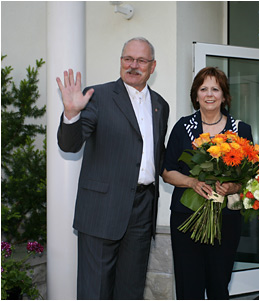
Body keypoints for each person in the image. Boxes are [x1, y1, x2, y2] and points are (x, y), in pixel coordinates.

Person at [56, 37, 170, 299]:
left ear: (153, 67)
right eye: (127, 59)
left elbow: (157, 156)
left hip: (142, 210)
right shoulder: (97, 97)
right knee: (95, 292)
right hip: (101, 212)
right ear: (120, 62)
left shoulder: (160, 105)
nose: (133, 65)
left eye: (141, 60)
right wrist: (71, 114)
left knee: (130, 291)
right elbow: (70, 145)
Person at [162, 67, 252, 299]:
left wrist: (233, 187)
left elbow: (250, 177)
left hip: (226, 220)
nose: (209, 94)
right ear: (196, 95)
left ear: (224, 95)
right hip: (186, 218)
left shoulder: (241, 130)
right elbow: (167, 171)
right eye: (203, 89)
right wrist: (192, 182)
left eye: (215, 89)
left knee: (218, 285)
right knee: (188, 287)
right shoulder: (182, 127)